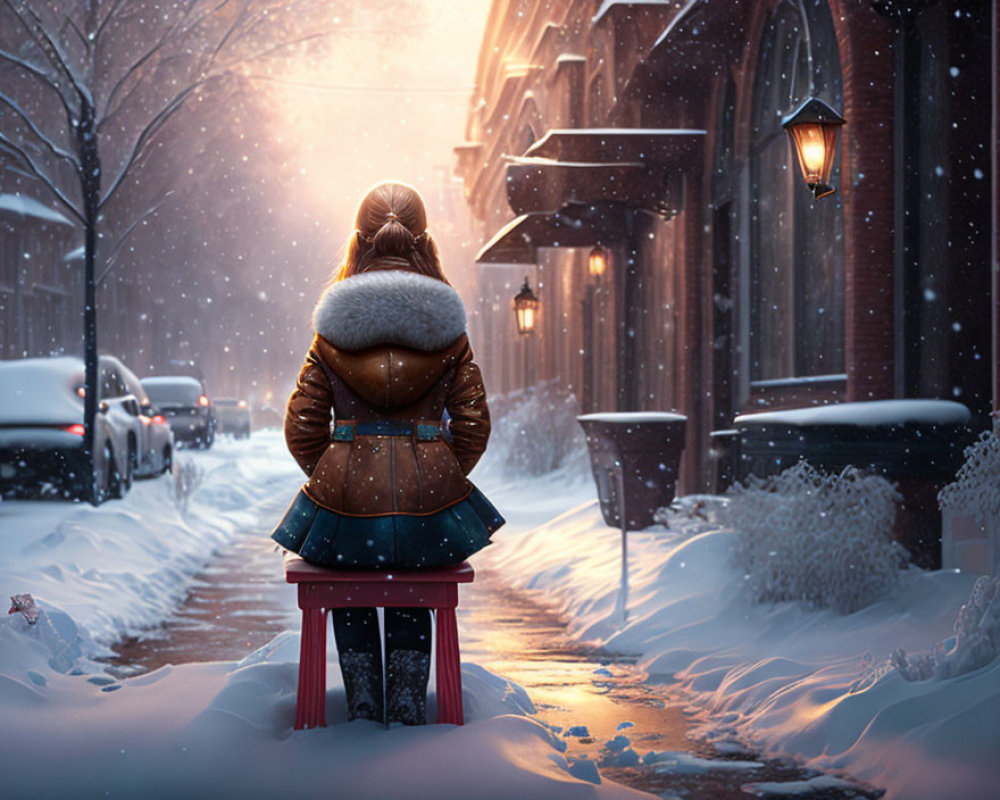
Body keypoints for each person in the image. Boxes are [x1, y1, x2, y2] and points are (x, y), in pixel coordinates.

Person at [272, 181, 504, 726]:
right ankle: (405, 709)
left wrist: (338, 474)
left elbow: (302, 425)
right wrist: (436, 476)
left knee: (349, 573)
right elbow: (473, 424)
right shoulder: (448, 329)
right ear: (423, 240)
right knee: (415, 579)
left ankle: (362, 709)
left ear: (359, 239)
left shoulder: (331, 329)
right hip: (430, 518)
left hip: (346, 513)